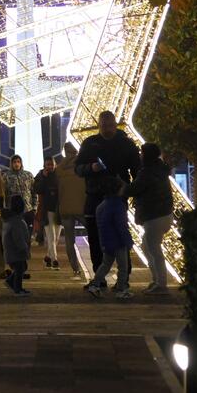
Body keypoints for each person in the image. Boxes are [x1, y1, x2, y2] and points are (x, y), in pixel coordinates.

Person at [74, 111, 140, 274]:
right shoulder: (90, 144)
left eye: (110, 125)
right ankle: (99, 274)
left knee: (120, 232)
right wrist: (91, 168)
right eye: (104, 126)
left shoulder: (126, 144)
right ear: (99, 125)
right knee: (95, 236)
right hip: (95, 195)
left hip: (117, 196)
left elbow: (137, 170)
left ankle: (124, 274)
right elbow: (78, 168)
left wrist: (131, 190)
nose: (107, 129)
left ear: (116, 124)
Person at [125, 143, 174, 295]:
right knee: (147, 247)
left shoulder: (147, 172)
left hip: (154, 216)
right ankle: (157, 281)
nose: (140, 155)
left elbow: (134, 188)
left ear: (146, 155)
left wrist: (122, 186)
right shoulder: (160, 169)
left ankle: (161, 284)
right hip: (164, 214)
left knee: (154, 249)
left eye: (142, 153)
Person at [86, 176, 134, 300]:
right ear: (118, 189)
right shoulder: (118, 205)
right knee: (123, 266)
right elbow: (121, 226)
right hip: (119, 241)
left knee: (105, 264)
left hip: (107, 240)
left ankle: (95, 284)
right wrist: (128, 241)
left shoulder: (101, 206)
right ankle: (122, 289)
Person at [56, 143, 89, 280]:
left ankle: (75, 270)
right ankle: (101, 265)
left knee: (69, 241)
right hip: (82, 207)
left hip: (65, 209)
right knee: (94, 235)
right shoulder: (82, 167)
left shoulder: (60, 169)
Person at [33, 155, 62, 271]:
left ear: (55, 165)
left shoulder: (59, 175)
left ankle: (48, 257)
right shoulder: (40, 176)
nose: (50, 167)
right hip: (46, 209)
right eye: (47, 165)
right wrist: (44, 178)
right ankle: (55, 260)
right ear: (44, 166)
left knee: (56, 237)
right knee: (51, 235)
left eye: (51, 164)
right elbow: (37, 189)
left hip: (59, 210)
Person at [2, 195, 32, 297]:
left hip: (10, 250)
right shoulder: (17, 221)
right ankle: (17, 289)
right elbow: (18, 237)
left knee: (21, 267)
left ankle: (11, 282)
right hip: (16, 251)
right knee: (20, 269)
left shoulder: (9, 220)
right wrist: (24, 248)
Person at [2, 154, 34, 237]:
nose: (16, 164)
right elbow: (3, 193)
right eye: (14, 162)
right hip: (13, 211)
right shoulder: (6, 176)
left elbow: (34, 192)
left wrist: (34, 208)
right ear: (11, 164)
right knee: (16, 235)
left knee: (27, 235)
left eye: (18, 162)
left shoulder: (28, 175)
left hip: (27, 210)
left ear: (21, 163)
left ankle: (27, 249)